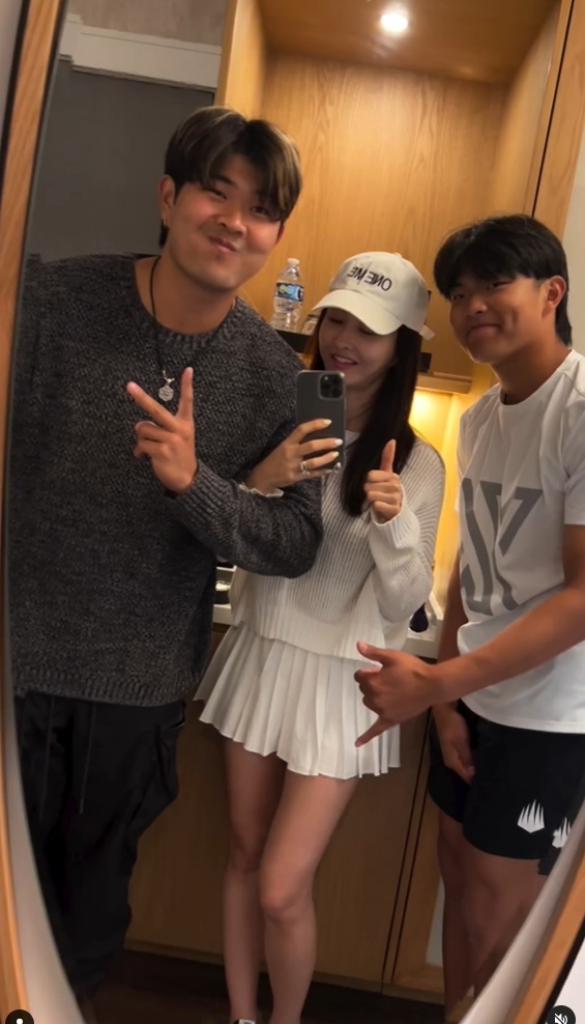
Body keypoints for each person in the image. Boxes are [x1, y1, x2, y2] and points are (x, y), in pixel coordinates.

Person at [7, 106, 323, 1012]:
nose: (234, 223)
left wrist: (198, 486)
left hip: (136, 693)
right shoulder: (50, 303)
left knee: (83, 926)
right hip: (16, 665)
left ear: (275, 236)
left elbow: (294, 543)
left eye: (260, 210)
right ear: (168, 197)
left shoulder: (277, 377)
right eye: (216, 194)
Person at [196, 252, 445, 1024]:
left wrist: (391, 519)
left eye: (368, 329)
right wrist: (261, 479)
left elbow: (406, 603)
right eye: (335, 319)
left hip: (342, 678)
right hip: (263, 651)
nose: (344, 339)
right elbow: (235, 537)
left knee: (281, 885)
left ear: (401, 346)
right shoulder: (284, 425)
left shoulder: (418, 462)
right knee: (244, 856)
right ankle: (242, 1016)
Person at [354, 215, 585, 1022]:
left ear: (551, 293)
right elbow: (471, 571)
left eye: (493, 283)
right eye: (457, 292)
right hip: (475, 698)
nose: (471, 305)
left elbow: (581, 599)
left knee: (500, 916)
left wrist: (438, 682)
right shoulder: (484, 416)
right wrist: (448, 698)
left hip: (550, 715)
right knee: (455, 878)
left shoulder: (578, 409)